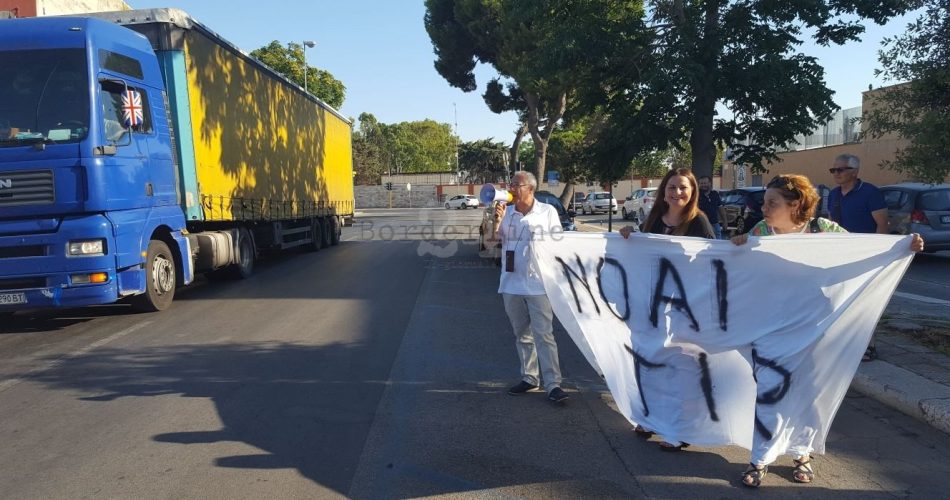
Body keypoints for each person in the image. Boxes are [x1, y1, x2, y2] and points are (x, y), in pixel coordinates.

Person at [731, 174, 923, 488]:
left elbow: (862, 251)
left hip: (816, 329)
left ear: (794, 205)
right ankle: (760, 458)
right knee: (769, 393)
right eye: (764, 202)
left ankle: (802, 454)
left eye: (771, 202)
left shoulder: (824, 231)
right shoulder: (760, 232)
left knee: (808, 394)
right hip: (771, 330)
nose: (763, 208)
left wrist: (904, 245)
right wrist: (737, 246)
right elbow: (737, 268)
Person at [619, 167, 715, 451]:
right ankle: (650, 418)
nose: (677, 193)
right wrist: (628, 236)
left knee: (680, 368)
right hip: (653, 304)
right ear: (664, 191)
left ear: (693, 191)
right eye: (672, 187)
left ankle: (679, 429)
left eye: (683, 187)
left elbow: (713, 259)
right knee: (649, 361)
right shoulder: (653, 220)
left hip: (685, 306)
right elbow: (642, 254)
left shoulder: (699, 222)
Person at [493, 171, 569, 404]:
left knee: (544, 335)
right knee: (522, 334)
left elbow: (559, 242)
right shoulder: (508, 212)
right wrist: (496, 220)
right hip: (511, 283)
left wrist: (537, 234)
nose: (512, 188)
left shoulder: (547, 211)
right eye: (511, 184)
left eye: (516, 184)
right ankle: (529, 377)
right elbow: (494, 241)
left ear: (530, 188)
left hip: (538, 283)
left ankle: (553, 384)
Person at [827, 154, 889, 361]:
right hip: (839, 255)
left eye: (841, 169)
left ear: (855, 171)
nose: (836, 174)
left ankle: (869, 345)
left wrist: (879, 254)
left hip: (866, 255)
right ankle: (844, 341)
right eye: (833, 170)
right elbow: (830, 224)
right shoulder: (834, 194)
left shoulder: (870, 193)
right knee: (841, 299)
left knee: (867, 300)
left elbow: (882, 223)